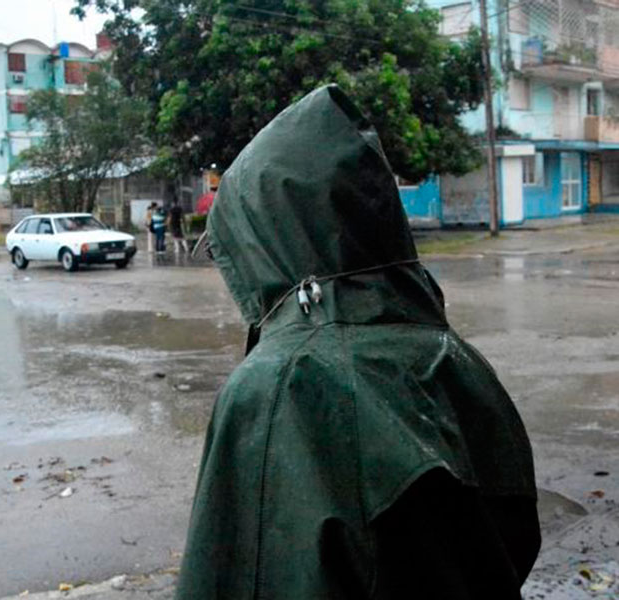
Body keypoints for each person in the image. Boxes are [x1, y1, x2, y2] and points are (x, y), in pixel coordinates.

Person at [178, 85, 540, 599]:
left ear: (260, 239)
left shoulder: (281, 387)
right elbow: (514, 536)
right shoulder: (458, 360)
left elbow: (240, 579)